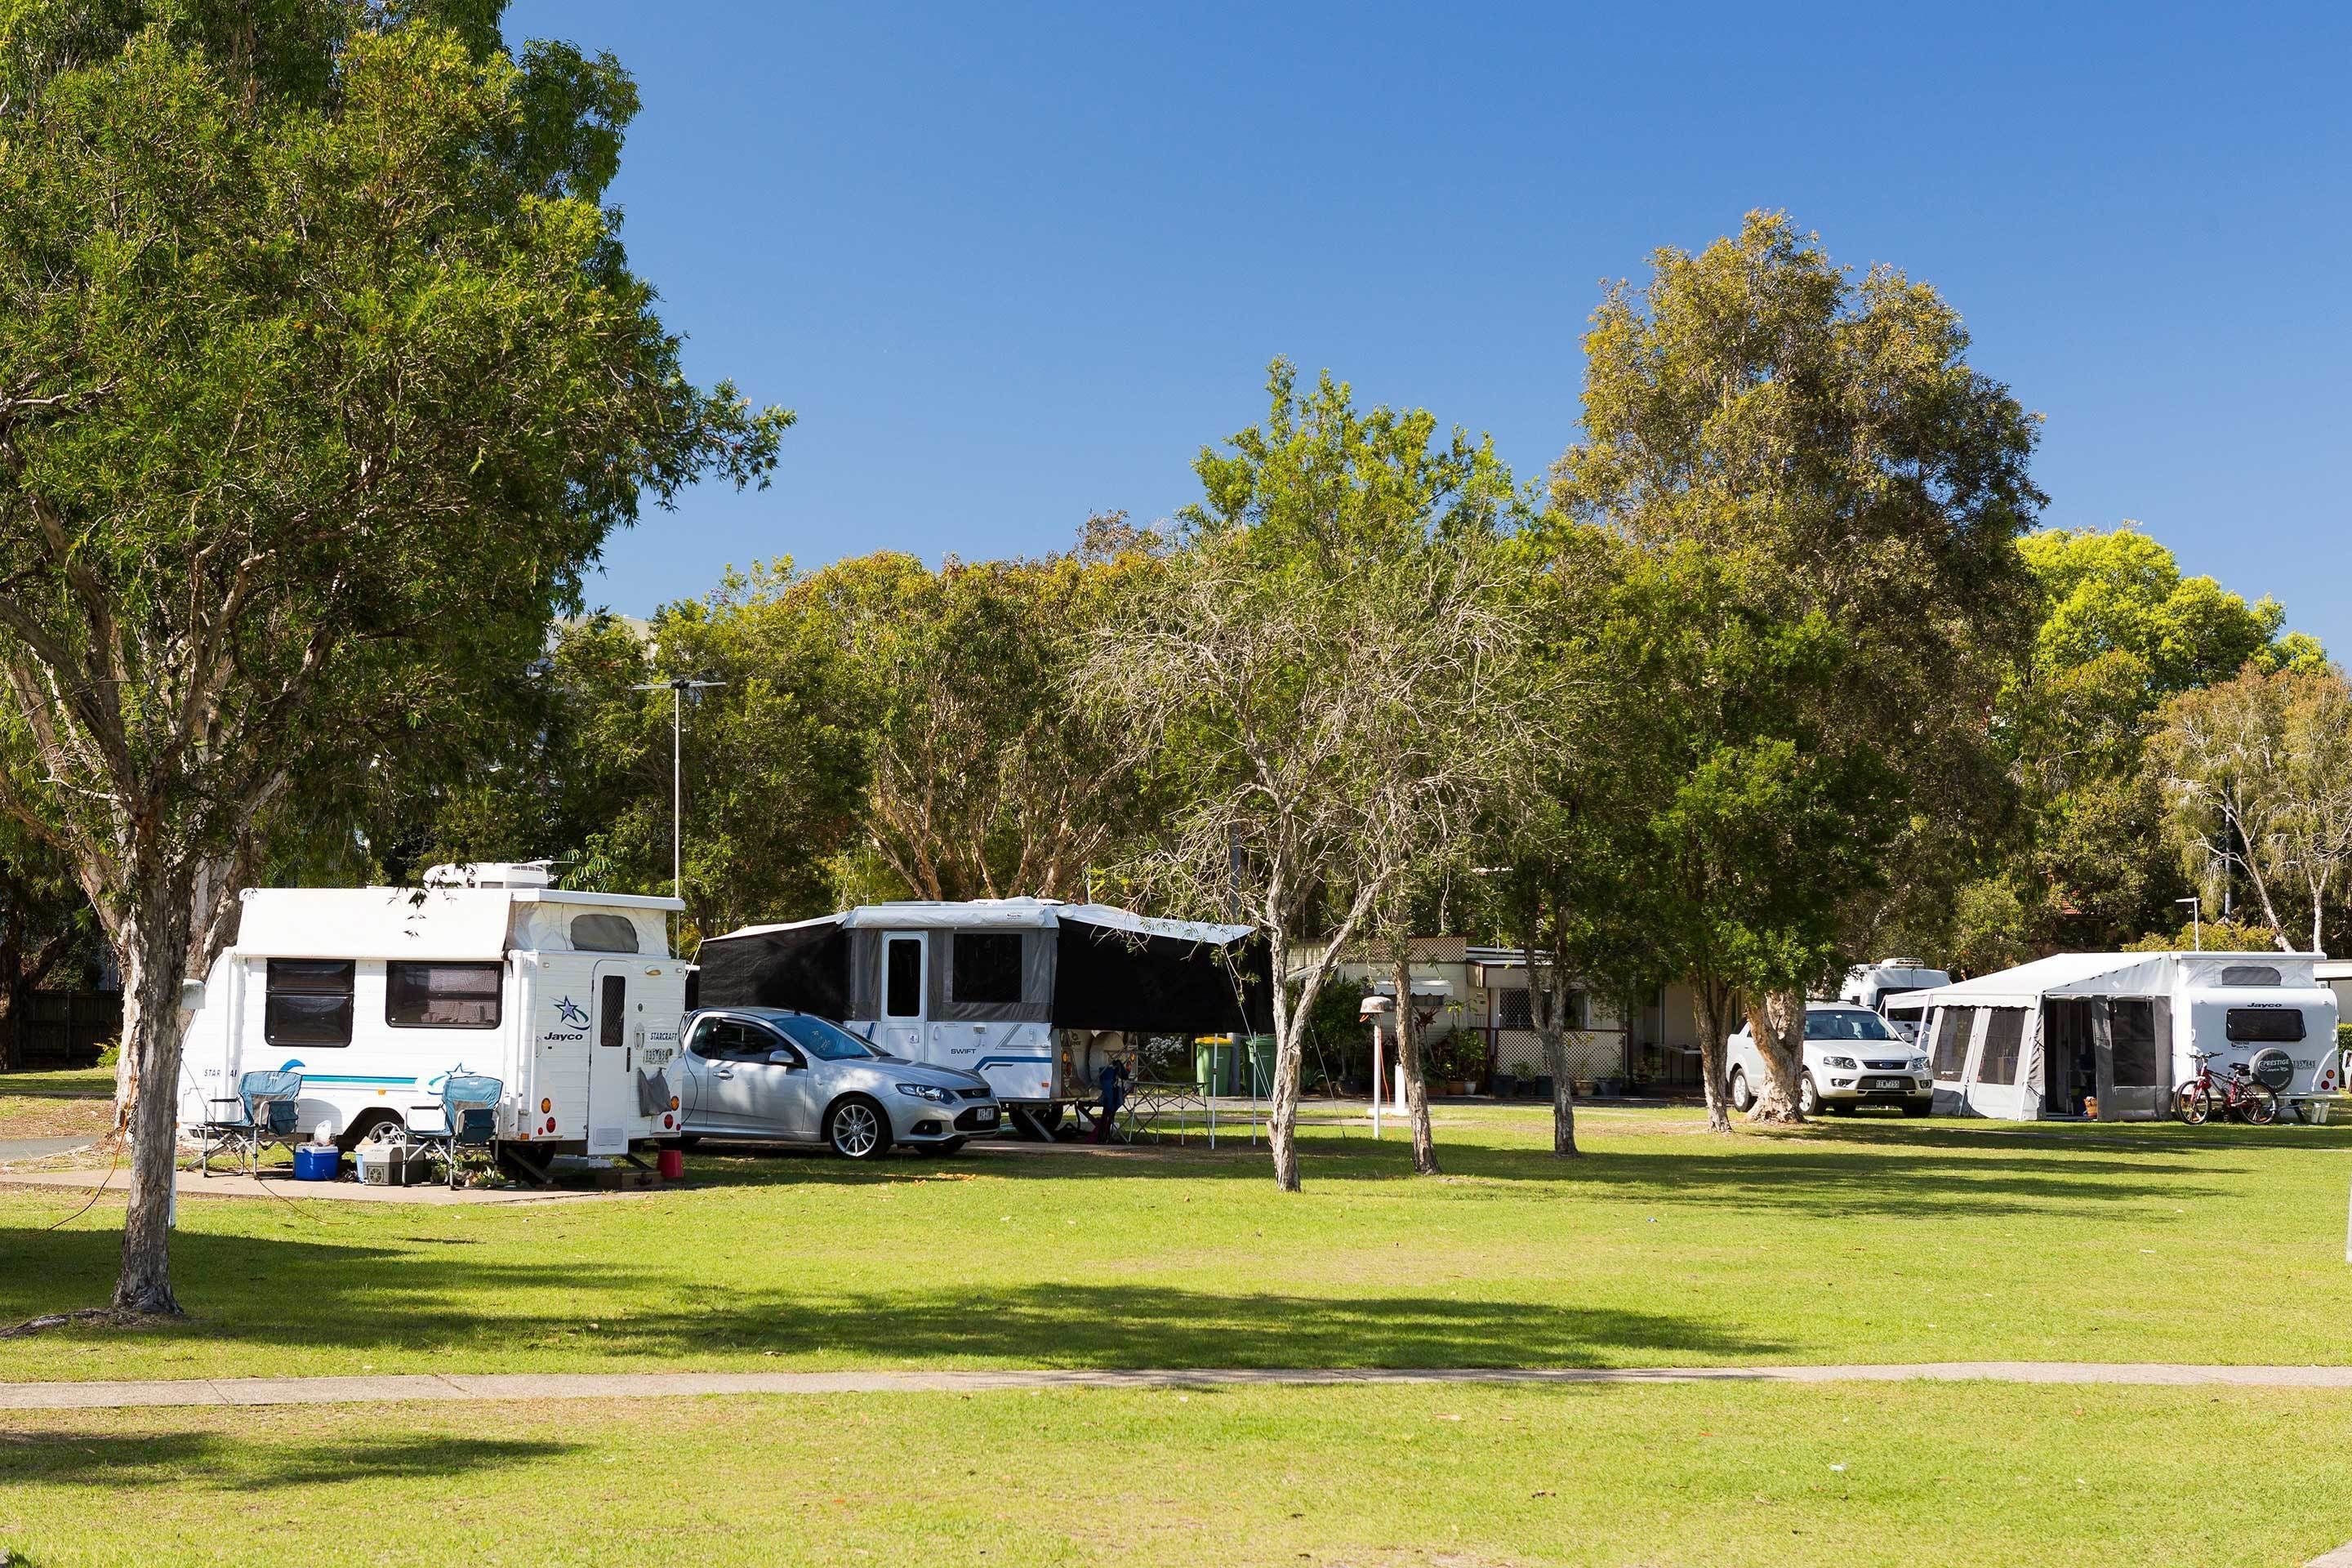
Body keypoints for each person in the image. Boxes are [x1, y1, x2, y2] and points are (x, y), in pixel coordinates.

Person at [1092, 1056, 1129, 1143]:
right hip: (1112, 1098)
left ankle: (1103, 1137)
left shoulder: (1108, 1073)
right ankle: (1105, 1137)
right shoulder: (1114, 1074)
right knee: (1108, 1116)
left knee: (1106, 1116)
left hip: (1110, 1098)